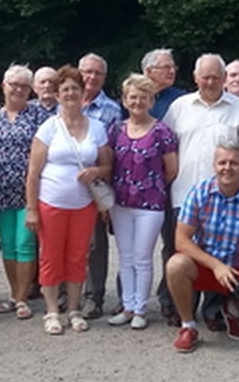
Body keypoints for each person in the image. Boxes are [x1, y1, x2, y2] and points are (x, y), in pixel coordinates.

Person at [165, 141, 239, 353]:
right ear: (214, 165)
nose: (227, 168)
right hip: (205, 265)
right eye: (222, 163)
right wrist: (216, 266)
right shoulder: (199, 193)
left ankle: (233, 309)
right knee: (175, 265)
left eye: (234, 163)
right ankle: (188, 326)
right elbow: (181, 240)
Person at [159, 54, 239, 322]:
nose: (210, 82)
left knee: (218, 252)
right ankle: (178, 306)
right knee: (177, 251)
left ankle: (213, 310)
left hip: (224, 197)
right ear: (196, 78)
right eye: (205, 77)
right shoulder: (179, 107)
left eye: (215, 77)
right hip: (183, 193)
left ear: (224, 79)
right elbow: (166, 146)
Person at [26, 65, 113, 335]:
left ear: (82, 92)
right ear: (57, 94)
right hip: (51, 203)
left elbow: (107, 166)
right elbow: (33, 173)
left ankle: (74, 308)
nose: (70, 93)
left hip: (83, 205)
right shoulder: (48, 127)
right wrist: (32, 208)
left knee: (77, 256)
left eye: (75, 88)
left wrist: (96, 171)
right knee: (51, 256)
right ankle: (52, 310)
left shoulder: (97, 128)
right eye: (65, 89)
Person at [108, 73, 178, 329]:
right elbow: (110, 164)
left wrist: (151, 188)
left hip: (150, 205)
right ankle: (127, 306)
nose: (137, 102)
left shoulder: (162, 131)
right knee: (125, 257)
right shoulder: (116, 130)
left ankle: (140, 309)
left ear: (151, 100)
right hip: (121, 203)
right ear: (125, 100)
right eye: (133, 97)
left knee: (142, 257)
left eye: (143, 97)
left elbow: (171, 169)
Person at [0, 65, 49, 319]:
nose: (19, 90)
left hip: (29, 191)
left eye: (24, 86)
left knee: (25, 244)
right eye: (14, 85)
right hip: (1, 190)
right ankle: (13, 294)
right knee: (9, 245)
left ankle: (23, 298)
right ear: (3, 86)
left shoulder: (38, 116)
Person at [78, 52, 123, 318]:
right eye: (87, 71)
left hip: (96, 186)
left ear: (104, 77)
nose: (91, 77)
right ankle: (66, 293)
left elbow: (114, 155)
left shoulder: (112, 110)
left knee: (95, 244)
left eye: (97, 73)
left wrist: (106, 195)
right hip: (65, 186)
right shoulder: (65, 103)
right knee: (68, 241)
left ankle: (93, 297)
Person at [142, 48, 185, 120]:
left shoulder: (181, 99)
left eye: (174, 67)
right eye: (166, 67)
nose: (172, 71)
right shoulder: (134, 98)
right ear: (149, 71)